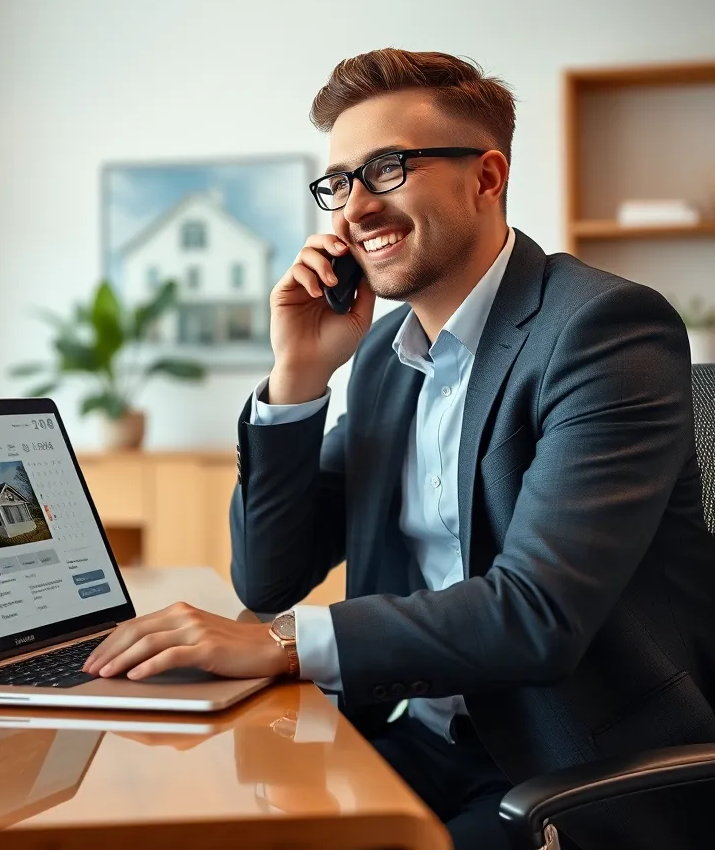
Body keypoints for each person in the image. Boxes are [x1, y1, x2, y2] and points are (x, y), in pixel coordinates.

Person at [84, 49, 715, 849]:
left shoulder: (602, 329)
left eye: (387, 168)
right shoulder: (385, 357)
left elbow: (539, 615)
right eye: (339, 182)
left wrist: (284, 645)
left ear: (486, 178)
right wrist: (297, 378)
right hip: (421, 735)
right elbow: (270, 575)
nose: (354, 209)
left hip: (571, 763)